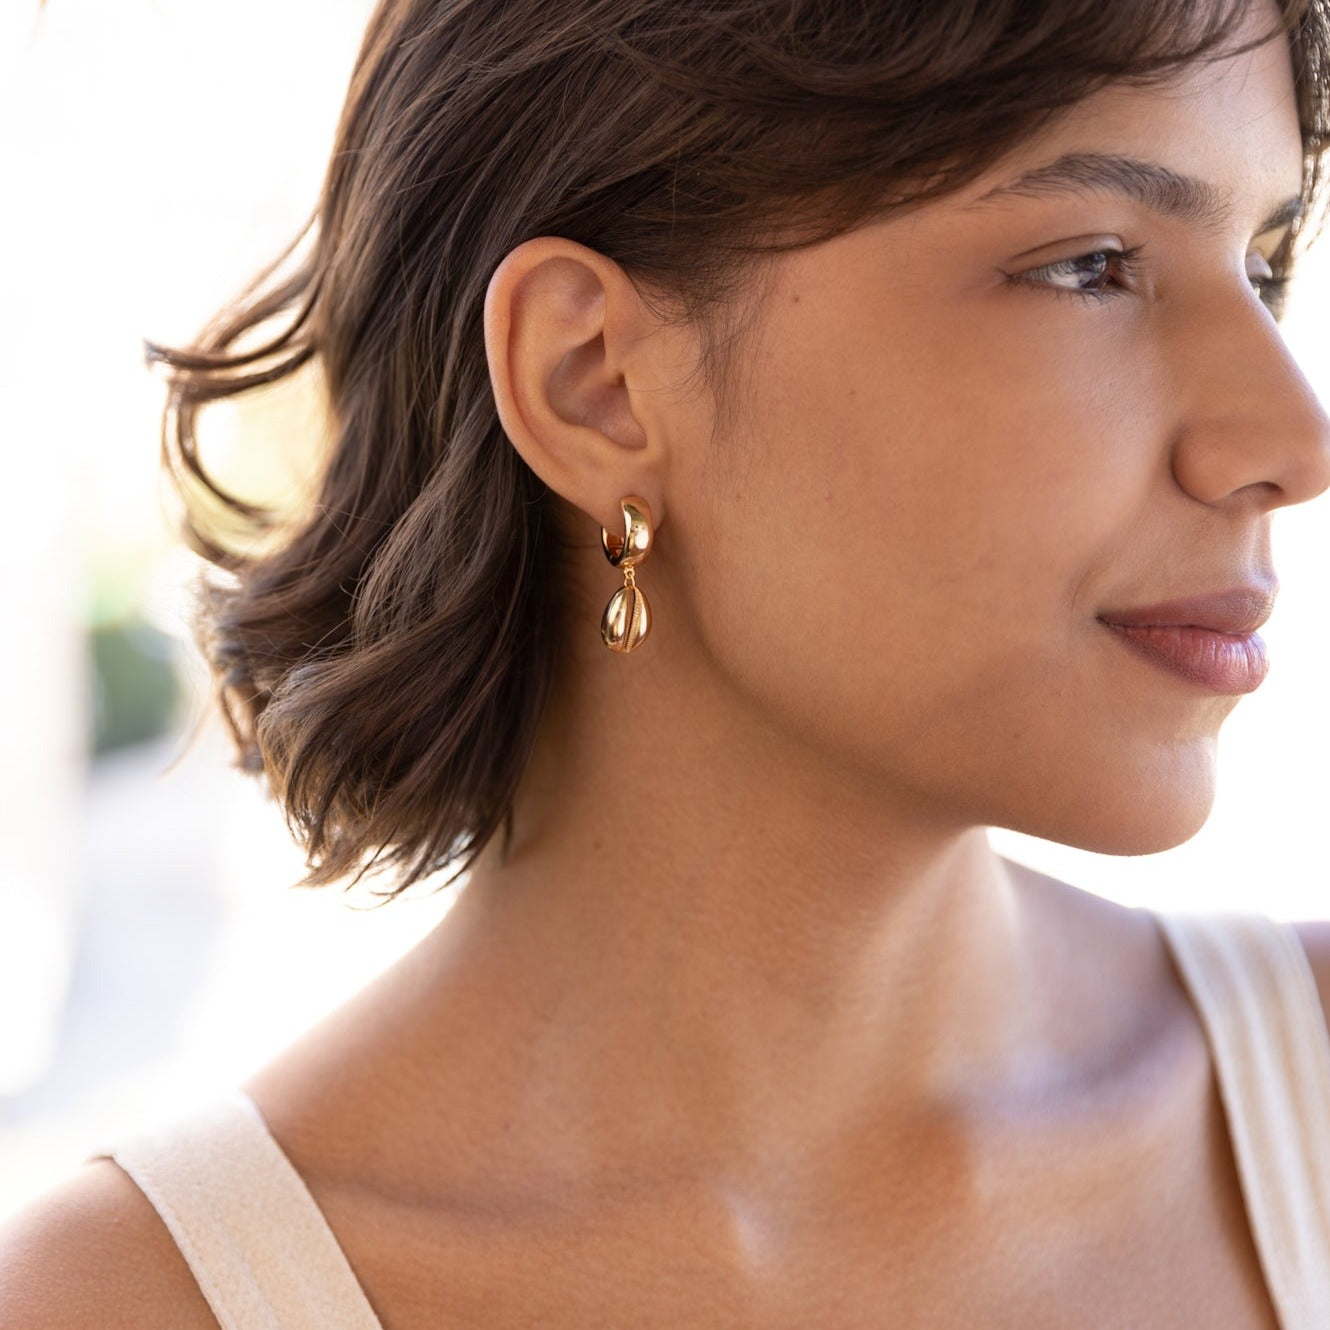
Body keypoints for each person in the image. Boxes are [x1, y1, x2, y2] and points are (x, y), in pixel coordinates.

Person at [5, 0, 1330, 1324]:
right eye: (1090, 264)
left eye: (1263, 265)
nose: (1290, 438)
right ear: (594, 380)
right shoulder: (128, 1301)